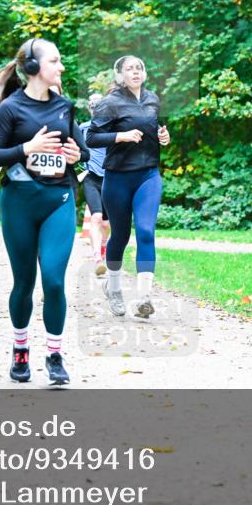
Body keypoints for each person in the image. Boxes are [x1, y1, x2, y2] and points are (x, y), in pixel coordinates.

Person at [0, 37, 89, 385]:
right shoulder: (11, 110)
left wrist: (77, 154)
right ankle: (20, 350)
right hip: (19, 204)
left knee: (55, 280)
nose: (61, 67)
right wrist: (27, 147)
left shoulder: (65, 106)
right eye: (55, 61)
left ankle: (55, 356)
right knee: (24, 283)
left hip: (58, 199)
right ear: (32, 68)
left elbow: (81, 150)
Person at [86, 55, 171, 318]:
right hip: (118, 177)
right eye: (129, 69)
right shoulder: (109, 103)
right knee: (120, 236)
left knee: (146, 231)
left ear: (144, 73)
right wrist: (120, 136)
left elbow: (158, 130)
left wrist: (165, 137)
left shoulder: (153, 99)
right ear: (120, 76)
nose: (135, 72)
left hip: (148, 176)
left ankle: (144, 297)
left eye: (139, 68)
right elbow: (91, 138)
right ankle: (113, 289)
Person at [78, 93, 110, 276]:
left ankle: (104, 250)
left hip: (111, 180)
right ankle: (97, 257)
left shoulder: (113, 129)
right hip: (91, 178)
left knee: (107, 223)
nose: (95, 107)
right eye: (92, 105)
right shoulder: (83, 128)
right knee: (96, 217)